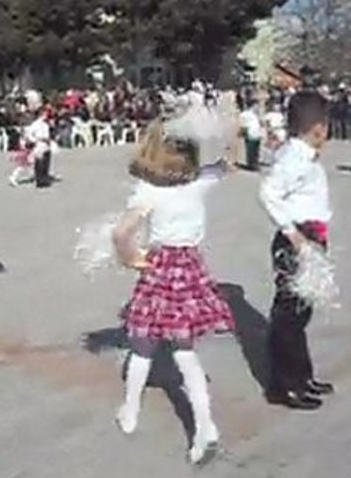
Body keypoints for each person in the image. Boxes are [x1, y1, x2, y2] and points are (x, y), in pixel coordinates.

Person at [111, 122, 233, 466]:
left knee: (143, 345)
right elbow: (229, 162)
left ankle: (131, 410)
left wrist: (132, 260)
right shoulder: (199, 182)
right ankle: (205, 427)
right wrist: (230, 122)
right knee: (184, 353)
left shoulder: (149, 190)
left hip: (161, 269)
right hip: (190, 268)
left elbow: (121, 233)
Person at [258, 91, 333, 411]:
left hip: (311, 236)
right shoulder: (294, 157)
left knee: (301, 312)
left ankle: (302, 376)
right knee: (289, 316)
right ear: (318, 127)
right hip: (297, 238)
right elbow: (267, 192)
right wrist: (293, 235)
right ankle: (283, 385)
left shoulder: (301, 154)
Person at [25, 108, 52, 188]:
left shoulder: (46, 125)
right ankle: (40, 180)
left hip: (46, 144)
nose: (46, 116)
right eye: (44, 114)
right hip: (39, 144)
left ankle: (45, 178)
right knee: (39, 163)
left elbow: (48, 135)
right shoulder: (35, 125)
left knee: (46, 163)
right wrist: (36, 140)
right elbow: (29, 135)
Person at [239, 99, 263, 171]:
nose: (258, 107)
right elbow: (243, 124)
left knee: (256, 150)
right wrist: (242, 132)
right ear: (252, 106)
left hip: (257, 133)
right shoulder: (245, 114)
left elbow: (260, 123)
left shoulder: (256, 114)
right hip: (250, 133)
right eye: (256, 105)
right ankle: (252, 165)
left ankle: (255, 163)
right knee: (251, 150)